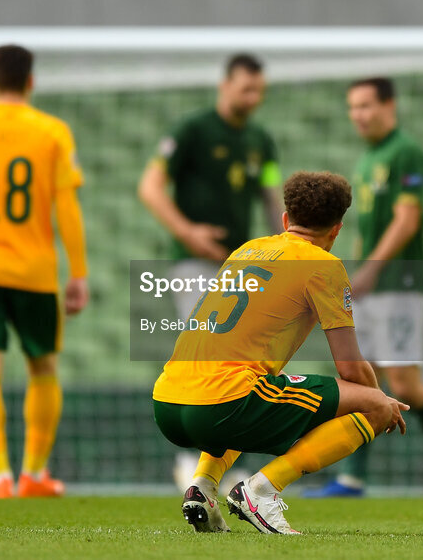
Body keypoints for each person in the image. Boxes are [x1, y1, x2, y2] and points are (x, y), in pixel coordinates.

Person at [153, 171, 409, 535]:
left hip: (166, 401)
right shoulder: (322, 264)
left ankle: (203, 486)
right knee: (375, 407)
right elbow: (350, 366)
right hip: (220, 404)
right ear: (337, 229)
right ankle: (261, 490)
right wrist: (380, 402)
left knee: (252, 385)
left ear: (286, 219)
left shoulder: (246, 250)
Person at [303, 77, 423, 500]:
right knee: (362, 380)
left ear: (389, 106)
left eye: (366, 105)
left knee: (404, 382)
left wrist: (372, 270)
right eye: (353, 107)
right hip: (372, 285)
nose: (358, 115)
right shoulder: (368, 159)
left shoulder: (406, 152)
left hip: (400, 283)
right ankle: (352, 479)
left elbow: (407, 220)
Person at [0, 44, 89, 499]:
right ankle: (33, 474)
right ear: (31, 81)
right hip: (34, 270)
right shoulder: (52, 131)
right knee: (43, 368)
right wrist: (78, 271)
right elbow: (66, 208)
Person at [138, 53, 283, 491]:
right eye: (246, 88)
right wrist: (189, 232)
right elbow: (150, 187)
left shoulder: (261, 140)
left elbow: (271, 196)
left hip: (239, 267)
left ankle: (218, 462)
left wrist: (288, 247)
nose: (253, 98)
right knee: (205, 354)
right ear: (225, 85)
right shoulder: (193, 130)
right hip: (194, 261)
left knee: (239, 362)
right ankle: (190, 459)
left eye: (259, 90)